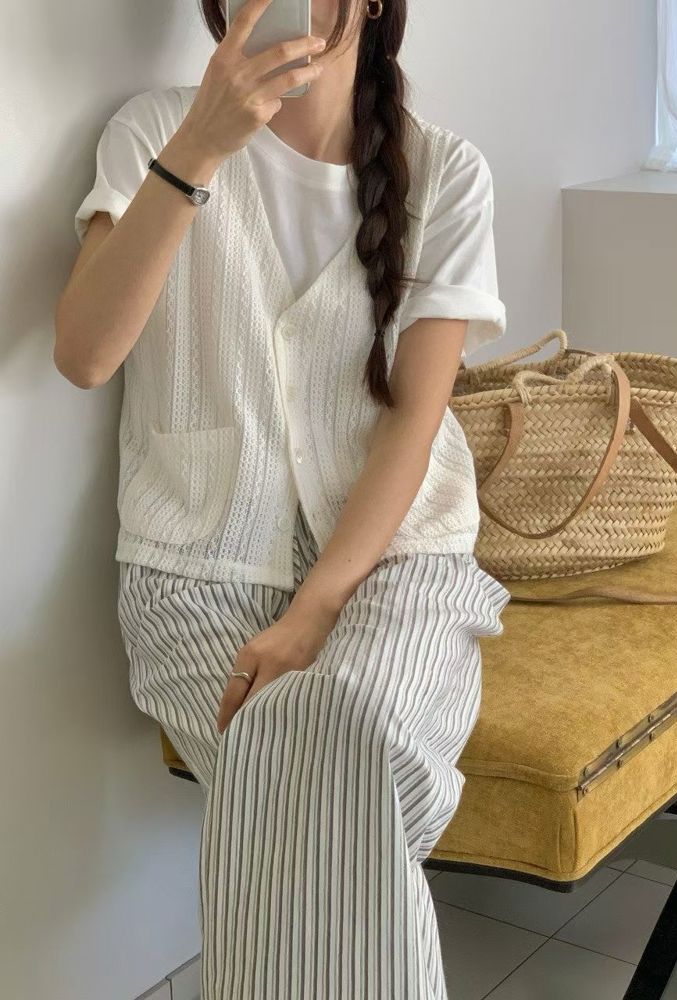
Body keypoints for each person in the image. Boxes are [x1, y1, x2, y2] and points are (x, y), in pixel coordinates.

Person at [55, 0, 512, 996]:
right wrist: (199, 151)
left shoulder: (447, 172)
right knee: (318, 763)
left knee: (343, 732)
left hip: (400, 564)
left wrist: (316, 608)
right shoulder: (152, 132)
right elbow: (85, 354)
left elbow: (415, 419)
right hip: (197, 572)